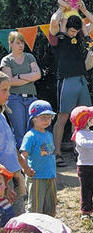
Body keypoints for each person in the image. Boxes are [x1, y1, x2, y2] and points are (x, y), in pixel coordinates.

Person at [49, 1, 93, 167]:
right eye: (71, 30)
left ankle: (80, 151)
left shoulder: (79, 36)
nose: (73, 33)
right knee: (63, 117)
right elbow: (54, 21)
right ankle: (57, 153)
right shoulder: (58, 37)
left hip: (81, 79)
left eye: (76, 30)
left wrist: (83, 10)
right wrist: (62, 7)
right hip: (66, 80)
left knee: (83, 116)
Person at [0, 31, 41, 148]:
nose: (21, 45)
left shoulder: (29, 57)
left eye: (22, 43)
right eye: (18, 43)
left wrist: (19, 76)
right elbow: (9, 82)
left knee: (34, 129)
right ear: (10, 44)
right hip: (14, 99)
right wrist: (30, 77)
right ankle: (21, 163)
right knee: (19, 132)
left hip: (31, 98)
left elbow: (38, 75)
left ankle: (34, 160)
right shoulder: (6, 60)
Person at [19, 100, 57, 217]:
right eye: (43, 117)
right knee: (35, 209)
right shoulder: (30, 136)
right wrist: (26, 169)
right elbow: (22, 155)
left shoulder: (49, 135)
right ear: (34, 118)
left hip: (50, 176)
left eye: (49, 117)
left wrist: (54, 174)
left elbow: (50, 156)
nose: (47, 120)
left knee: (51, 208)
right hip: (36, 177)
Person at [0, 72, 26, 216]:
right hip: (3, 181)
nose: (8, 94)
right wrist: (3, 182)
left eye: (9, 90)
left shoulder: (2, 116)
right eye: (4, 90)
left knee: (19, 217)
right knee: (7, 220)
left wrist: (24, 167)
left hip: (14, 176)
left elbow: (10, 146)